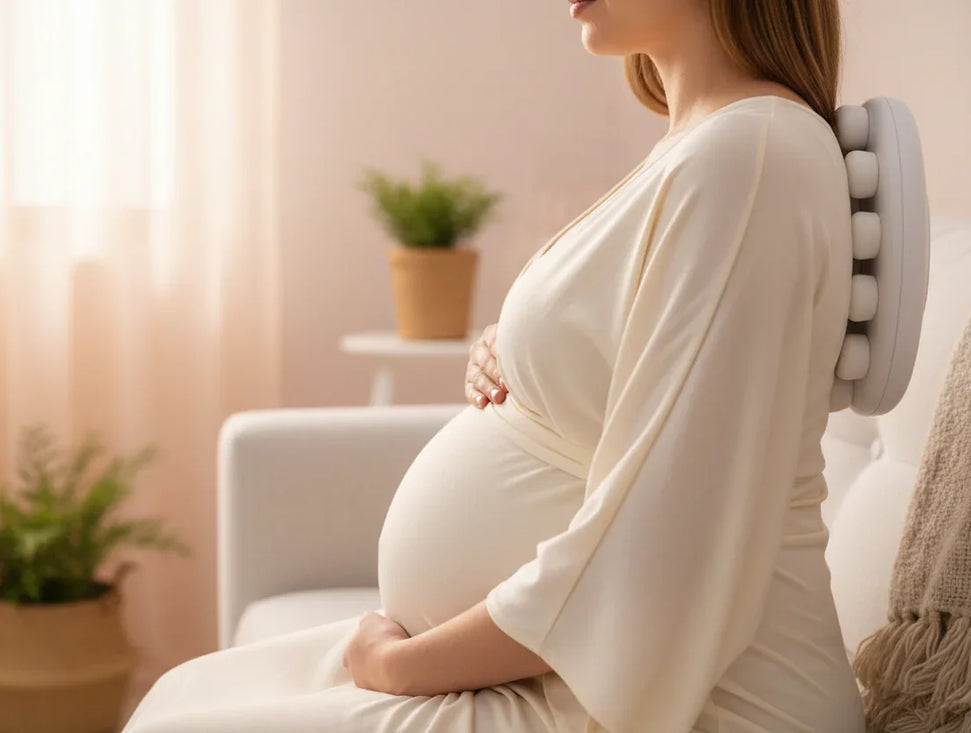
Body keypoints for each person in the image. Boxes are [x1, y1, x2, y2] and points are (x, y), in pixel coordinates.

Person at [122, 0, 868, 731]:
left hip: (694, 699)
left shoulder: (751, 156)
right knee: (175, 697)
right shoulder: (703, 146)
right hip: (559, 668)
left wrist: (401, 669)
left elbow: (666, 548)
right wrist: (512, 348)